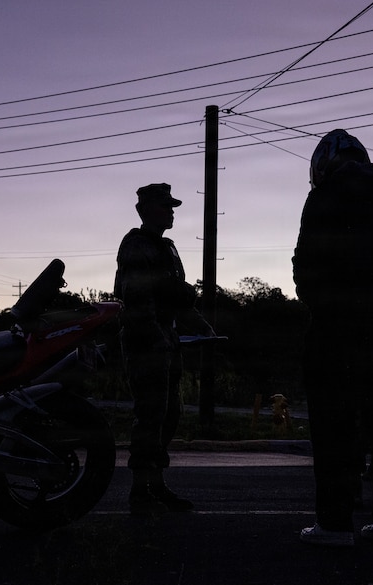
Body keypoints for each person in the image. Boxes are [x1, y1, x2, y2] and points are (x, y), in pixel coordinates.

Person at [292, 130, 373, 546]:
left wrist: (325, 305)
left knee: (333, 428)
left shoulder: (323, 199)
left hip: (334, 331)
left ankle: (334, 523)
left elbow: (305, 269)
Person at [114, 183, 215, 515]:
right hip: (145, 343)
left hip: (166, 341)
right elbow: (136, 299)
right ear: (146, 211)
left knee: (168, 416)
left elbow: (177, 298)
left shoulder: (167, 248)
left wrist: (203, 328)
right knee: (150, 417)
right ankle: (140, 491)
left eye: (172, 207)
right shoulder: (136, 246)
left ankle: (155, 485)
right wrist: (156, 337)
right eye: (165, 206)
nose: (171, 212)